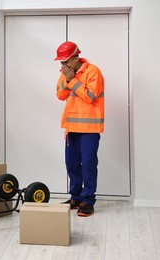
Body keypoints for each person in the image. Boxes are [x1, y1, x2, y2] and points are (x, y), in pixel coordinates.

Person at [54, 41, 104, 217]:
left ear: (76, 57)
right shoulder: (66, 73)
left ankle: (88, 201)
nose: (63, 65)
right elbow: (60, 95)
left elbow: (90, 96)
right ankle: (75, 197)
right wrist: (68, 78)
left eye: (66, 61)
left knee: (88, 165)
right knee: (72, 164)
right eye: (61, 62)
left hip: (90, 128)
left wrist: (72, 80)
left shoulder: (93, 72)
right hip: (71, 128)